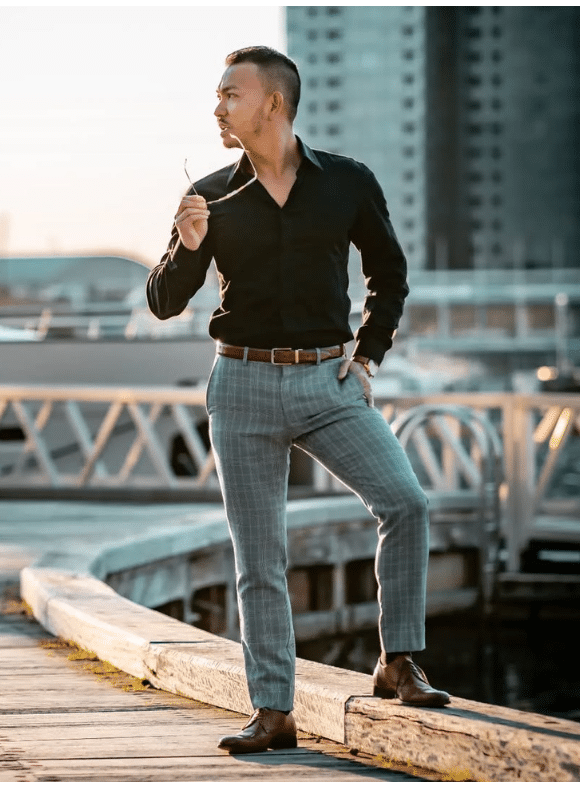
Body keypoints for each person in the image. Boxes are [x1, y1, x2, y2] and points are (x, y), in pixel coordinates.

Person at [146, 45, 450, 755]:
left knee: (406, 503)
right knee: (261, 557)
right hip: (241, 384)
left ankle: (398, 659)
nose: (217, 106)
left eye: (230, 94)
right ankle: (273, 710)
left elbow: (389, 274)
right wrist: (188, 245)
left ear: (272, 103)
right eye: (219, 96)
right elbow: (163, 300)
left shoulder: (346, 183)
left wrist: (368, 353)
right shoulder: (211, 194)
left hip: (328, 384)